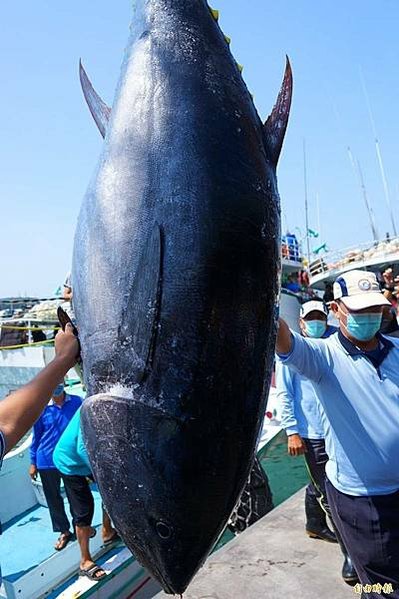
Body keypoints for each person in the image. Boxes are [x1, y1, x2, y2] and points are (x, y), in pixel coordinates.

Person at [275, 269, 399, 597]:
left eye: (374, 309)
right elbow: (285, 341)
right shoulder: (323, 357)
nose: (368, 317)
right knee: (382, 586)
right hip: (362, 501)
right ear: (336, 310)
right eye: (358, 311)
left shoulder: (397, 350)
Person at [277, 301, 358, 584]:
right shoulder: (293, 351)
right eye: (310, 319)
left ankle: (314, 524)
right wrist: (292, 431)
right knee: (330, 493)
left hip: (339, 429)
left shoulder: (335, 345)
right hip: (313, 435)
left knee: (325, 484)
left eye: (319, 318)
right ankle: (350, 554)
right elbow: (284, 394)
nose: (315, 323)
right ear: (300, 322)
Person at [53, 408, 119, 581]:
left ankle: (107, 531)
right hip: (68, 462)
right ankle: (85, 561)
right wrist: (102, 473)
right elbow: (82, 448)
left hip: (84, 459)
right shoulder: (91, 410)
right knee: (84, 509)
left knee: (111, 491)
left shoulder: (112, 407)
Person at [0, 324, 79, 462]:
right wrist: (64, 357)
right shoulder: (46, 408)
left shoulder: (77, 401)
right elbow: (8, 424)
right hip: (50, 461)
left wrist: (63, 358)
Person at [29, 383, 82, 550]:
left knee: (76, 496)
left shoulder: (77, 402)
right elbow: (36, 437)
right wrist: (33, 462)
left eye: (59, 382)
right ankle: (64, 531)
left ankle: (80, 527)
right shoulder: (42, 408)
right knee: (53, 499)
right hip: (46, 460)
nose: (56, 387)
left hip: (69, 459)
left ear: (64, 382)